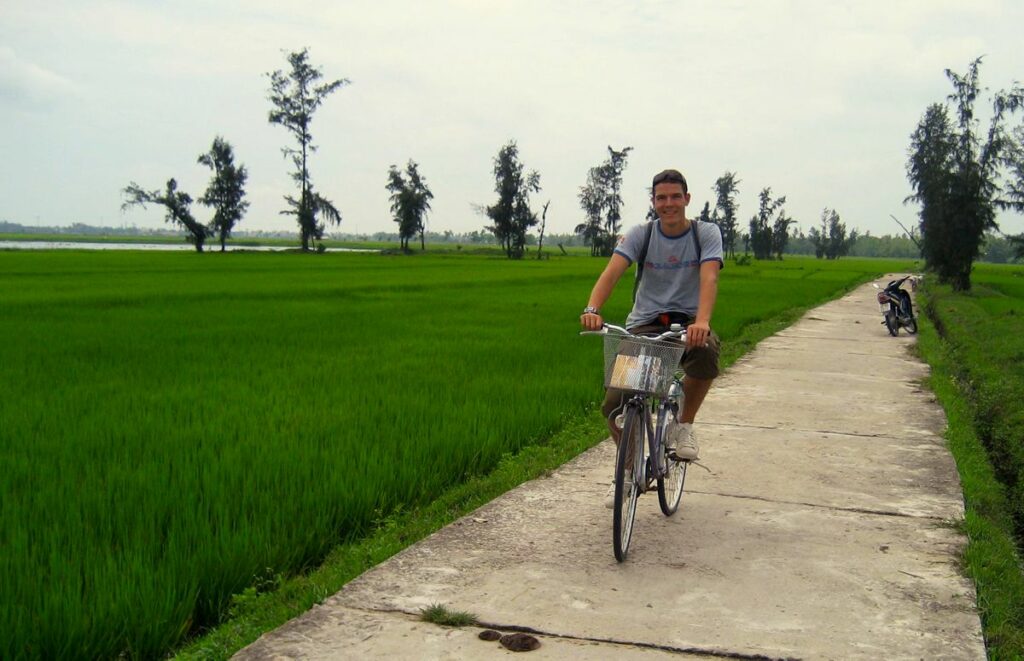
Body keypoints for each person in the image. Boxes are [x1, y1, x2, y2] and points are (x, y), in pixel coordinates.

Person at [580, 169, 723, 499]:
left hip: (688, 323)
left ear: (687, 199)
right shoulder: (640, 235)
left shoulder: (706, 234)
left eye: (675, 197)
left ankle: (683, 425)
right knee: (615, 405)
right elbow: (611, 272)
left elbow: (709, 279)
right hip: (645, 326)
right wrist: (592, 310)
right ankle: (629, 468)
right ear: (653, 202)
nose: (668, 203)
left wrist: (701, 321)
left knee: (706, 351)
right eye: (661, 198)